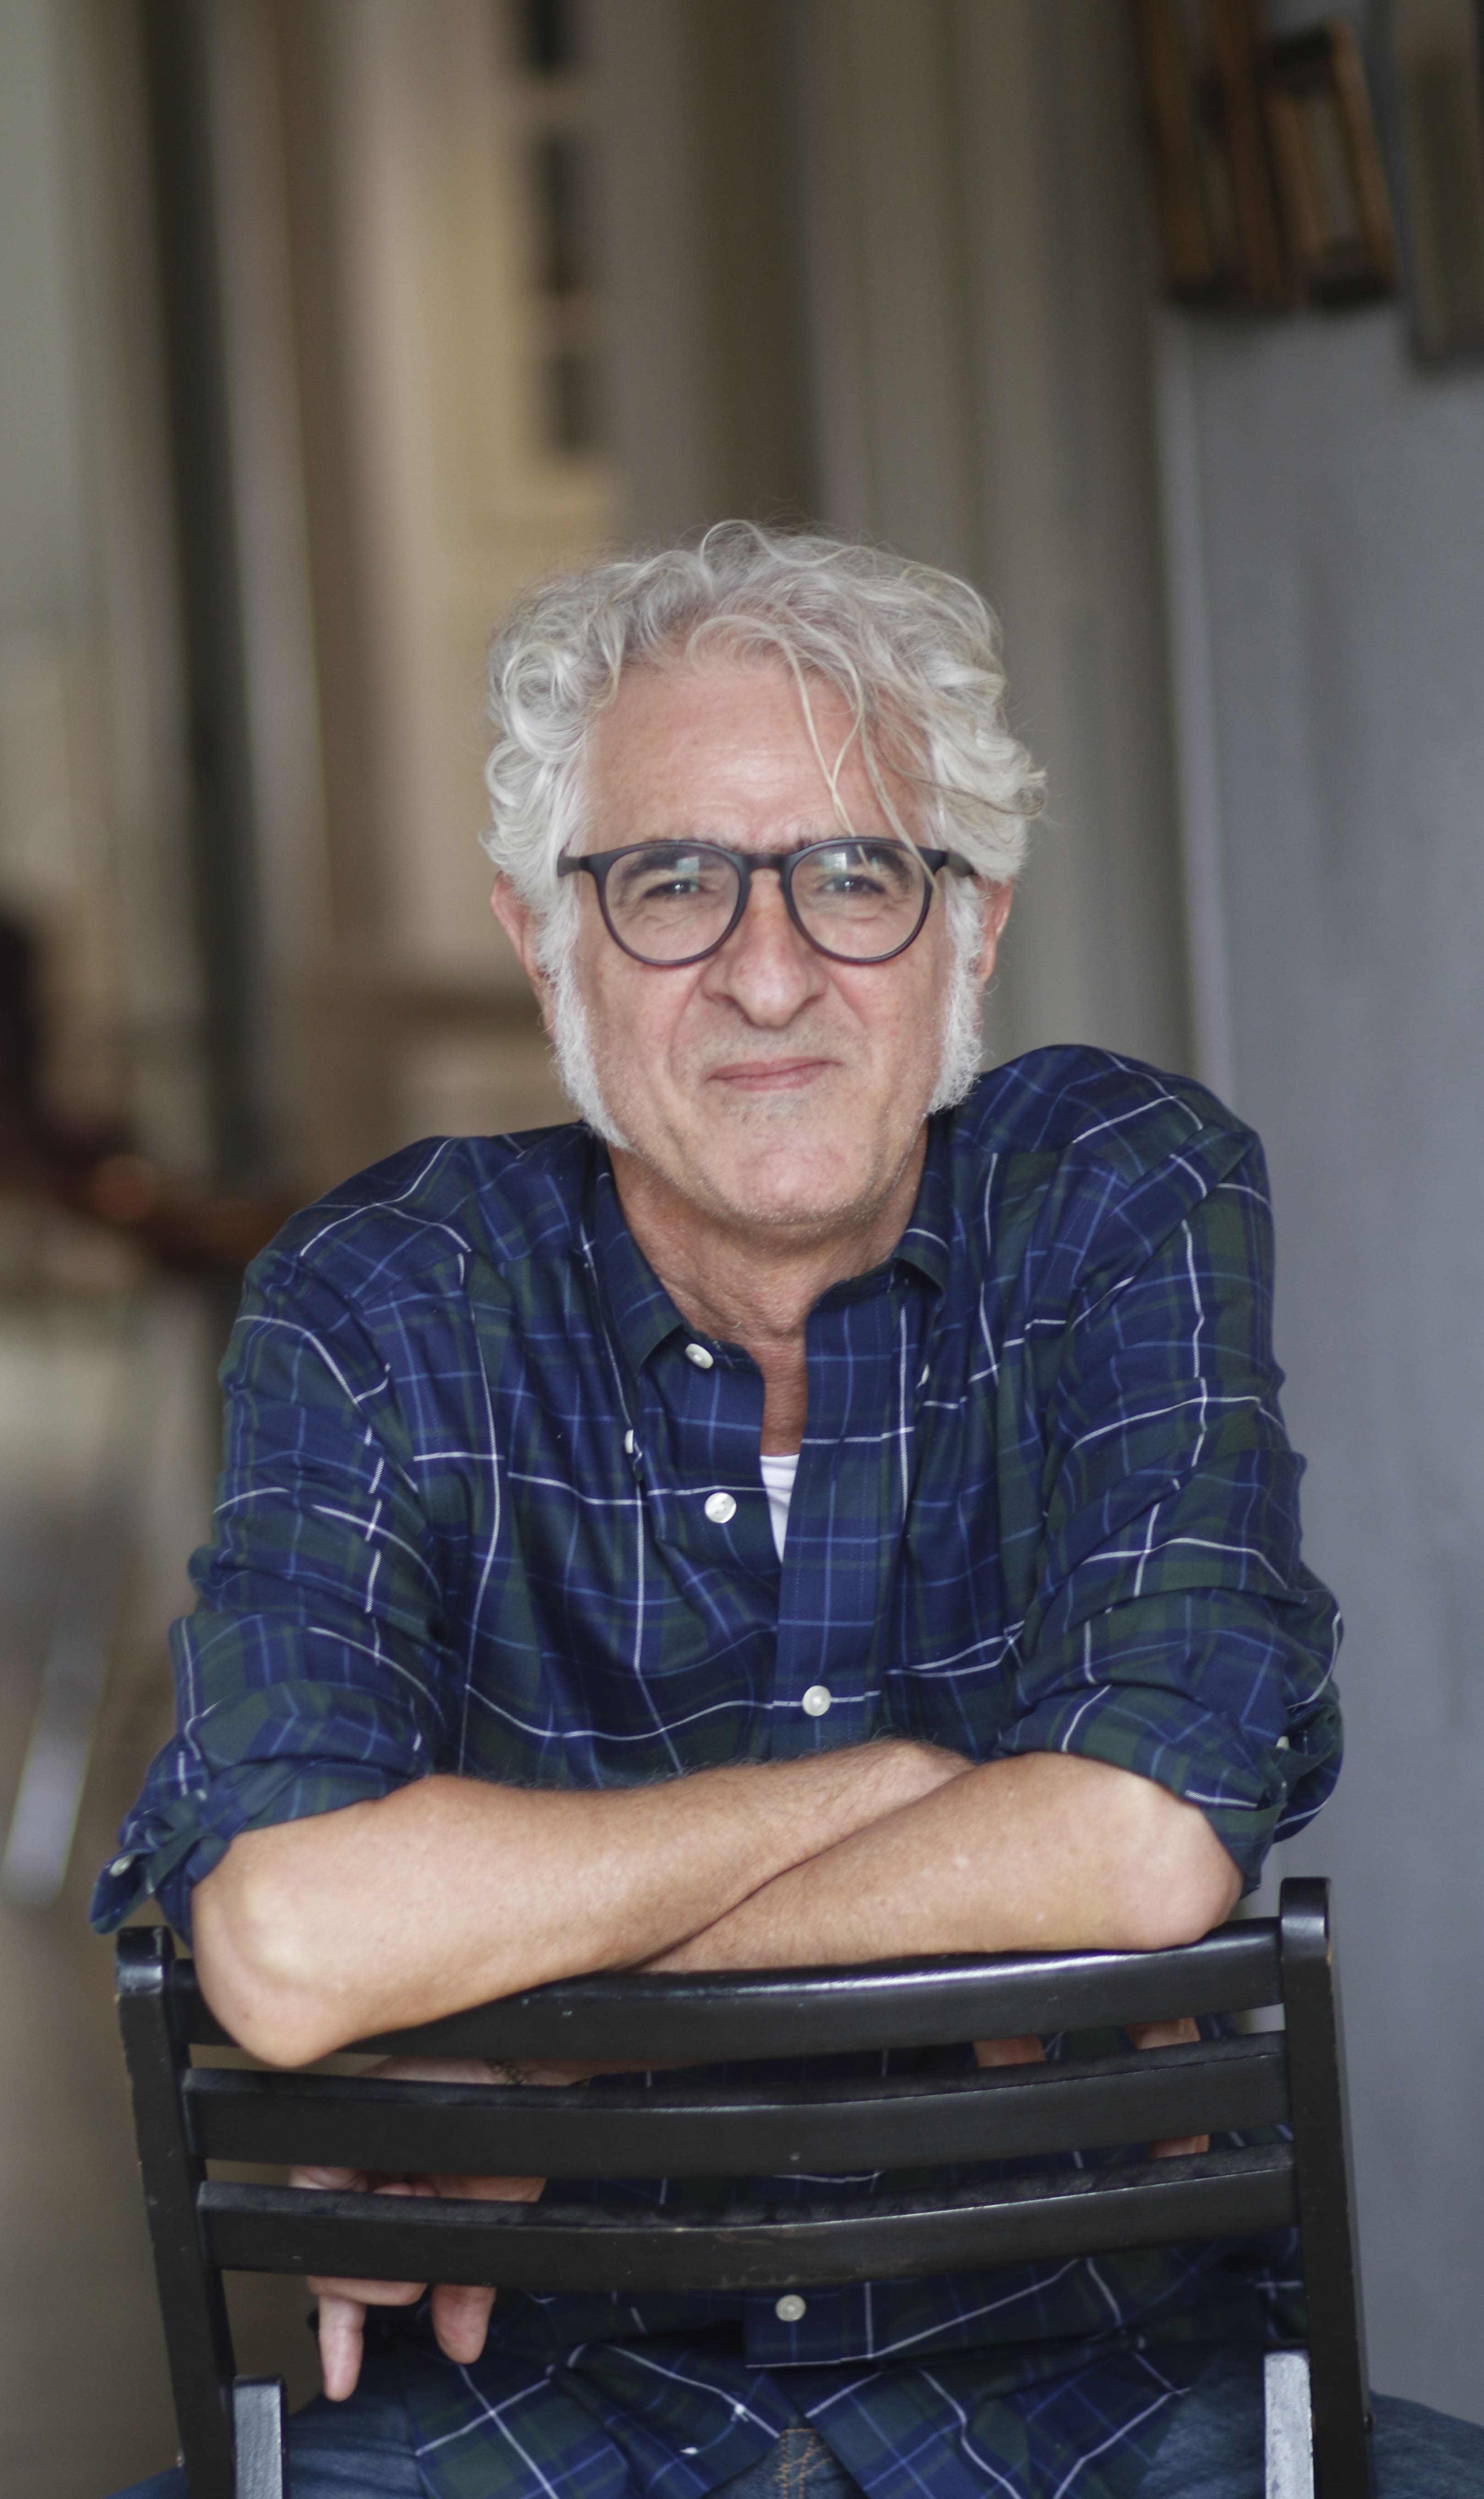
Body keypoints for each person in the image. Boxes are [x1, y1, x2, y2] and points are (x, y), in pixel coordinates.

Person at [98, 527, 1483, 2497]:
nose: (770, 974)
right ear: (544, 942)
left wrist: (524, 2040)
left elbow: (1141, 1840)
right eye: (673, 882)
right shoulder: (383, 1295)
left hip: (1096, 2397)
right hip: (533, 2412)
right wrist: (900, 1794)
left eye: (853, 875)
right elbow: (300, 1942)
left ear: (972, 929)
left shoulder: (1116, 1194)